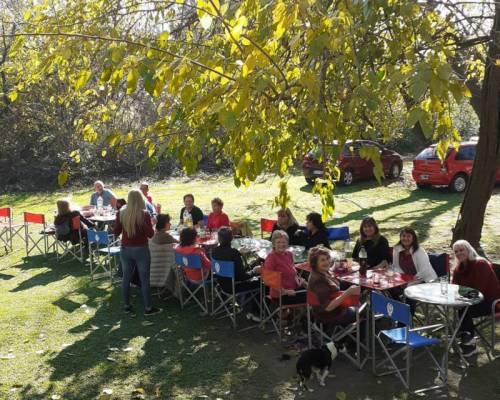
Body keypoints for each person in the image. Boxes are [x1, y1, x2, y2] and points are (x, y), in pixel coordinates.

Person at [113, 189, 161, 316]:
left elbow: (115, 232)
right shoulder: (144, 214)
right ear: (140, 199)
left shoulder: (121, 212)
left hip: (125, 249)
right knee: (144, 279)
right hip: (141, 250)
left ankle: (127, 306)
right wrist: (150, 224)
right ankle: (148, 308)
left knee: (126, 278)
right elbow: (150, 235)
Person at [452, 239, 500, 357]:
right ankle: (465, 337)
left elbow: (479, 290)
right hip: (471, 301)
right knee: (462, 308)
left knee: (465, 309)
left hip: (492, 302)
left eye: (462, 250)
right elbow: (453, 288)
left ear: (469, 250)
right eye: (456, 251)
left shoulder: (480, 264)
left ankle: (468, 343)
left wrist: (461, 298)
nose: (459, 253)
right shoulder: (459, 268)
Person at [211, 227, 261, 321]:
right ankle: (255, 312)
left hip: (221, 284)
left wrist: (239, 252)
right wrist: (254, 271)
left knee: (251, 269)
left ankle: (246, 305)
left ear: (219, 238)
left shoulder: (214, 250)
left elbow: (226, 256)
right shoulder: (233, 253)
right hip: (234, 286)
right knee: (261, 282)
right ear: (232, 238)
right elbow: (243, 277)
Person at [307, 245, 361, 330]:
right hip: (330, 314)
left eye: (328, 258)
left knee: (351, 288)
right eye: (322, 260)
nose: (327, 262)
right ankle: (353, 342)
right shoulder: (318, 280)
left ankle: (344, 336)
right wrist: (349, 292)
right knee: (365, 311)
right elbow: (328, 308)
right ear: (315, 263)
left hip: (331, 309)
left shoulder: (322, 272)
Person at [263, 230, 307, 304]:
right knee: (312, 296)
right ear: (273, 244)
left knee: (315, 288)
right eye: (278, 242)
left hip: (294, 289)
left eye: (284, 242)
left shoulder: (289, 254)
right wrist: (285, 291)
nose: (281, 244)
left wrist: (301, 281)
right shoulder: (271, 257)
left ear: (287, 243)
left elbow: (293, 273)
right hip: (280, 295)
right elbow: (269, 280)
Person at [149, 214, 179, 297]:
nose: (170, 224)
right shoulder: (165, 236)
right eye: (168, 222)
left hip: (153, 270)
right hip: (165, 272)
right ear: (163, 225)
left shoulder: (155, 235)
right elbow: (179, 244)